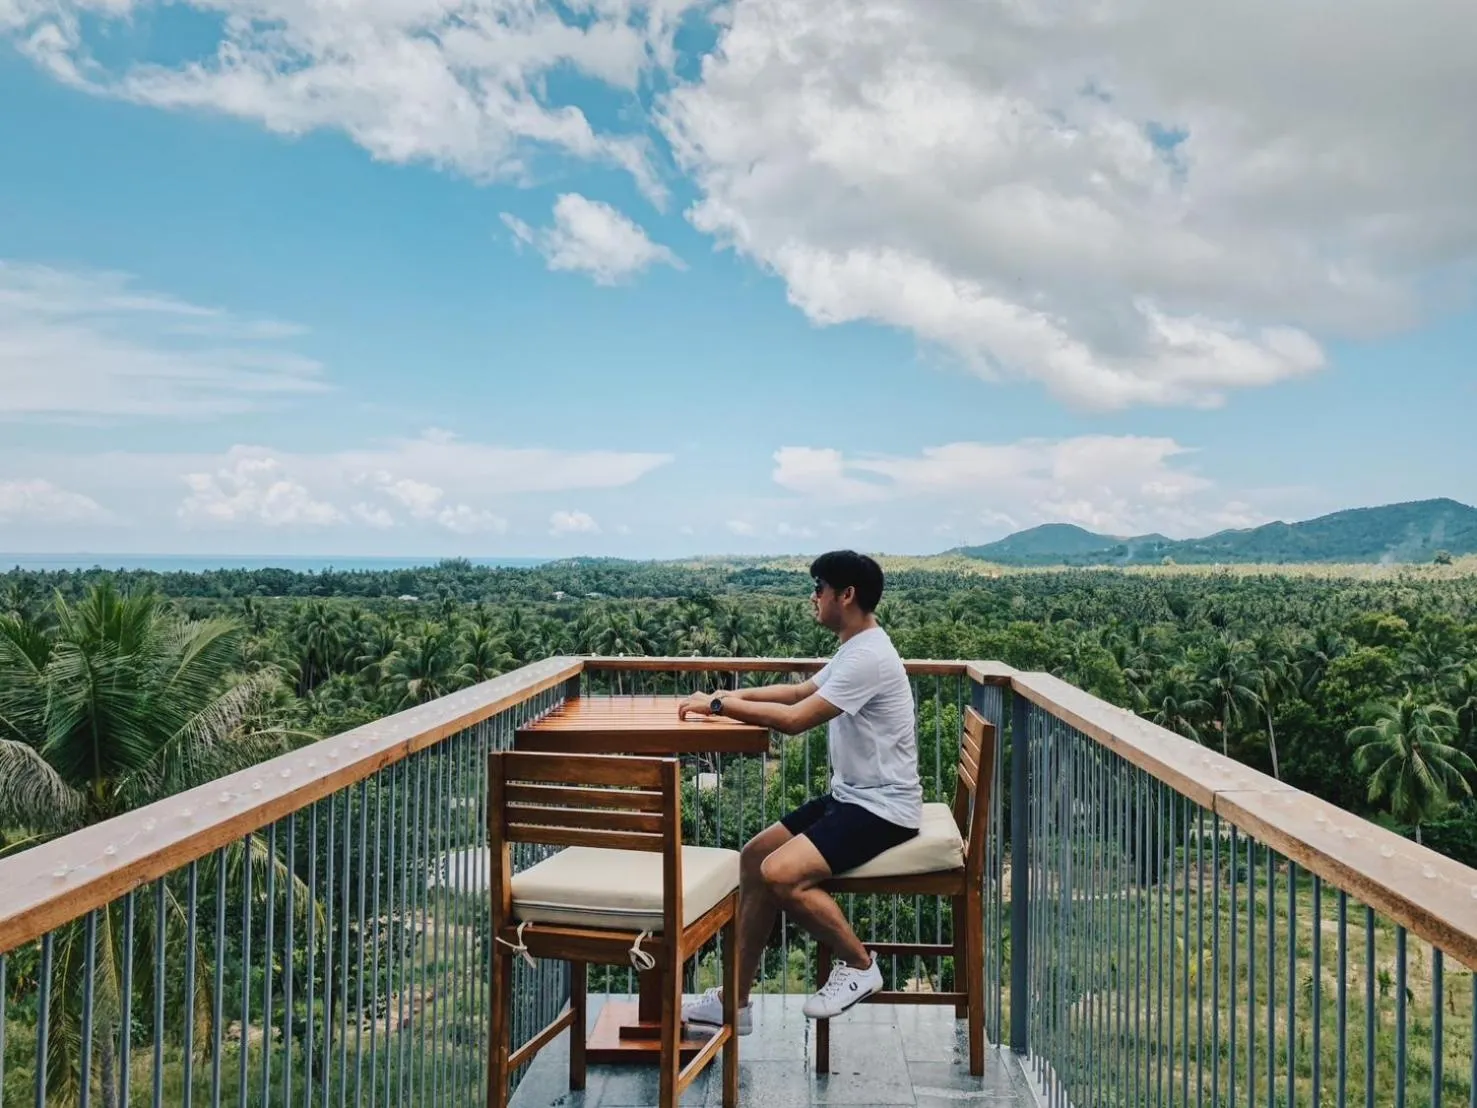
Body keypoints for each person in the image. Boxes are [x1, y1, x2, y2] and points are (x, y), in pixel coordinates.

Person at [673, 550, 921, 1036]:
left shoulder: (869, 657)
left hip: (884, 809)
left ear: (845, 595)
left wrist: (723, 705)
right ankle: (736, 1001)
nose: (814, 598)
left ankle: (859, 965)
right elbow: (797, 692)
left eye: (819, 588)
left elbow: (793, 721)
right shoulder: (857, 646)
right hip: (852, 797)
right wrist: (720, 700)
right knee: (754, 857)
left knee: (779, 873)